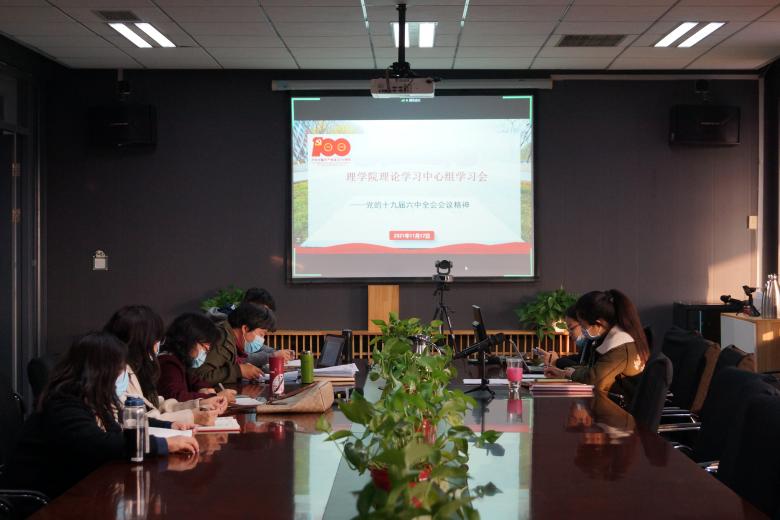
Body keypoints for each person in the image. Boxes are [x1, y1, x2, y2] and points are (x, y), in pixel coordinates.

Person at [5, 332, 198, 498]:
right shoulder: (63, 402)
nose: (123, 375)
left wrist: (167, 428)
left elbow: (120, 428)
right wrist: (164, 444)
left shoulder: (94, 397)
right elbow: (99, 444)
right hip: (43, 501)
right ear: (100, 371)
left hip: (75, 489)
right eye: (120, 368)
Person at [104, 305, 228, 425]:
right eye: (156, 339)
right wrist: (192, 416)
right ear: (141, 341)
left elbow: (155, 405)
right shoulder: (118, 373)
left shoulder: (133, 368)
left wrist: (200, 403)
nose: (158, 345)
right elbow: (137, 420)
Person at [544, 289, 649, 400]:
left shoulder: (621, 346)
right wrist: (564, 372)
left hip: (619, 406)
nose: (583, 330)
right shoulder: (606, 340)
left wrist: (568, 373)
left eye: (583, 326)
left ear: (598, 324)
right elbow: (591, 368)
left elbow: (594, 380)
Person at [194, 302, 288, 385]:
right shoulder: (220, 340)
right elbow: (200, 377)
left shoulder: (230, 339)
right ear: (245, 329)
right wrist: (239, 371)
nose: (262, 339)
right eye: (261, 334)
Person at [157, 313, 237, 402]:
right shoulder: (168, 363)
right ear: (189, 340)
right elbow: (175, 397)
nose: (205, 353)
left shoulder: (181, 360)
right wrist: (214, 396)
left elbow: (194, 380)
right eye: (204, 348)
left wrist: (203, 388)